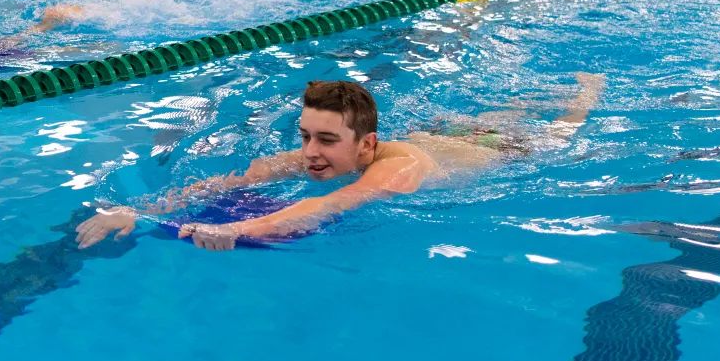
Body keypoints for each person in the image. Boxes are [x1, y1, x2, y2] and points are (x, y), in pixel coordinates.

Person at [75, 74, 606, 251]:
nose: (310, 153)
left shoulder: (396, 171)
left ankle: (584, 95)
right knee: (494, 114)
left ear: (365, 145)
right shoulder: (322, 151)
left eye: (326, 140)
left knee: (558, 130)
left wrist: (238, 228)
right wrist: (143, 212)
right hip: (445, 134)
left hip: (507, 151)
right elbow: (239, 177)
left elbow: (327, 207)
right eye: (304, 136)